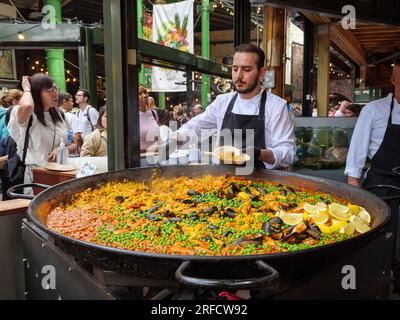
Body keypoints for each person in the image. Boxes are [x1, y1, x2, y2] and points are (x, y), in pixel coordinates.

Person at [167, 43, 296, 169]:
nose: (238, 76)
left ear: (261, 73)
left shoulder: (276, 106)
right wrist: (174, 138)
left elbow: (288, 153)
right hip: (223, 181)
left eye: (246, 70)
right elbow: (195, 126)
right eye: (235, 69)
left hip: (262, 184)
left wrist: (259, 154)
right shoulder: (222, 102)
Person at [345, 60, 400, 259]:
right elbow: (357, 149)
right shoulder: (374, 109)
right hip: (380, 187)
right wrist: (354, 187)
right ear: (394, 79)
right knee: (380, 241)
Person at [7, 73, 72, 186]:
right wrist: (27, 88)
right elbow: (27, 106)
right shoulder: (28, 114)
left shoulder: (60, 114)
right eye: (49, 90)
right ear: (36, 93)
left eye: (56, 89)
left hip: (61, 175)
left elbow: (73, 143)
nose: (55, 93)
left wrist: (62, 149)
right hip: (35, 175)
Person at [139, 85, 159, 152]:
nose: (145, 95)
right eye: (140, 94)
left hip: (156, 158)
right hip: (141, 159)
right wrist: (148, 150)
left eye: (145, 92)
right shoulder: (130, 116)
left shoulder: (153, 113)